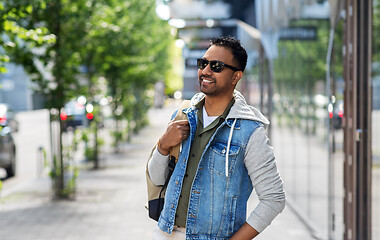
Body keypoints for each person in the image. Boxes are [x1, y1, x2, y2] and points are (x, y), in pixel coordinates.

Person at [148, 36, 285, 240]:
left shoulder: (250, 131)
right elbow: (157, 179)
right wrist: (163, 145)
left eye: (217, 66)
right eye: (203, 63)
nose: (205, 71)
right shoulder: (184, 115)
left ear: (235, 76)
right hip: (165, 231)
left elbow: (274, 198)